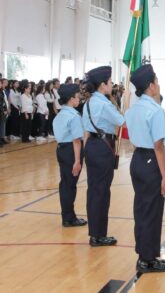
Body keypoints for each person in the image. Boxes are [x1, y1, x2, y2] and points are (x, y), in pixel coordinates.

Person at [124, 64, 165, 273]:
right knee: (152, 211)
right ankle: (147, 259)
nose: (159, 85)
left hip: (137, 160)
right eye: (157, 82)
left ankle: (145, 253)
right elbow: (159, 146)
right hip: (152, 161)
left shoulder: (133, 109)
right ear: (151, 86)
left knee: (142, 209)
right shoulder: (155, 111)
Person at [82, 66, 125, 247]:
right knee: (101, 193)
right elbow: (121, 121)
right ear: (102, 85)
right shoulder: (104, 104)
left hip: (92, 146)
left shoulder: (89, 102)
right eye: (109, 82)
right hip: (102, 147)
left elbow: (85, 129)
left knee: (94, 191)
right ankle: (99, 236)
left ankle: (95, 233)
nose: (112, 84)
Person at [53, 83, 87, 228]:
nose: (79, 98)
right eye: (77, 96)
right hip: (71, 152)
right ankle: (69, 218)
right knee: (70, 186)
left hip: (61, 149)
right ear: (71, 98)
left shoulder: (61, 114)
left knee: (65, 184)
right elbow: (76, 141)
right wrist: (77, 161)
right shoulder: (73, 116)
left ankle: (67, 215)